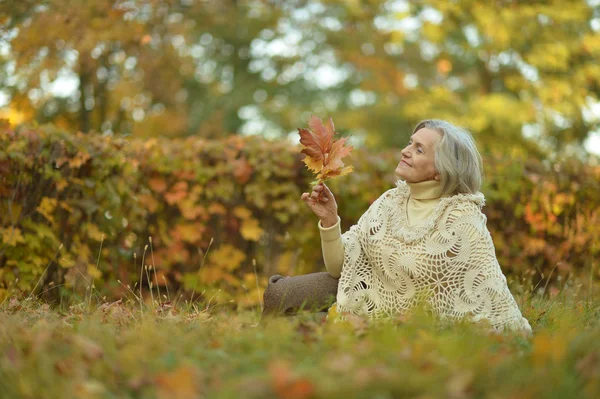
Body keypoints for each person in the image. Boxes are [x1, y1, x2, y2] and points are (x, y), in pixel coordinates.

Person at [262, 119, 532, 334]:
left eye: (419, 149)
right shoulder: (391, 200)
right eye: (410, 143)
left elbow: (479, 293)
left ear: (441, 169)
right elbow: (338, 268)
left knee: (294, 329)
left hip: (405, 322)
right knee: (277, 295)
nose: (405, 151)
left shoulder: (461, 218)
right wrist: (330, 220)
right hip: (361, 291)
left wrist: (374, 323)